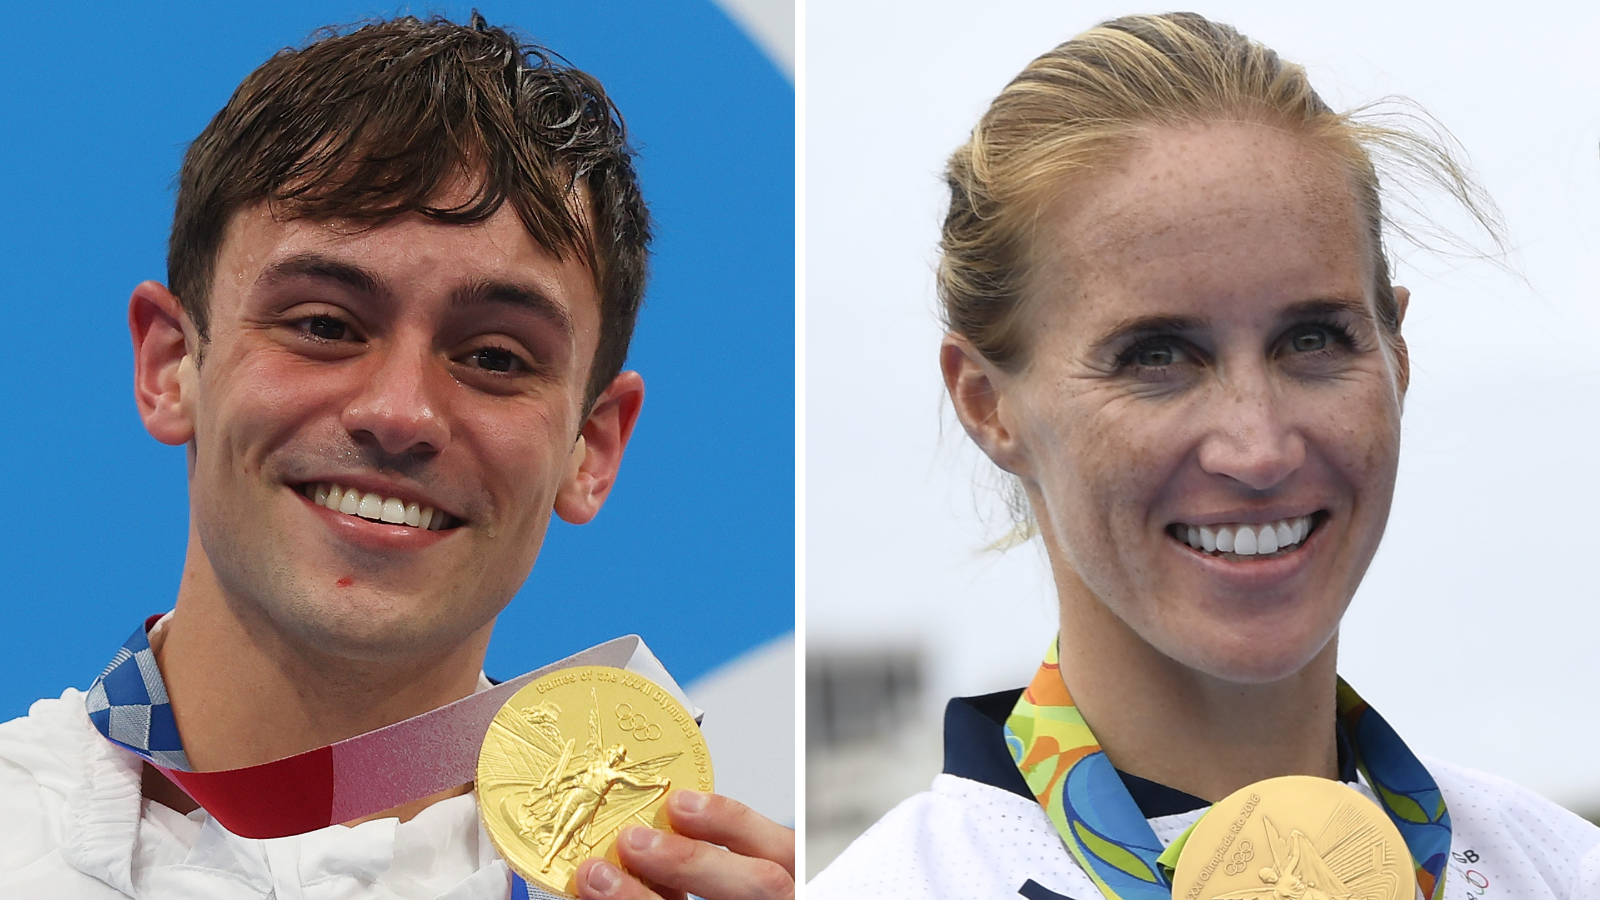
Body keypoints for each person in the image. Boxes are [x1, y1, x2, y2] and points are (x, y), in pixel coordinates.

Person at [0, 14, 793, 900]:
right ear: (168, 367)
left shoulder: (701, 880)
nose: (400, 412)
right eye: (324, 326)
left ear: (591, 447)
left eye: (494, 356)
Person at [809, 12, 1597, 900]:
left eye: (1313, 338)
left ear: (1396, 355)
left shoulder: (1560, 871)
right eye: (1156, 356)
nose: (1257, 448)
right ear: (987, 404)